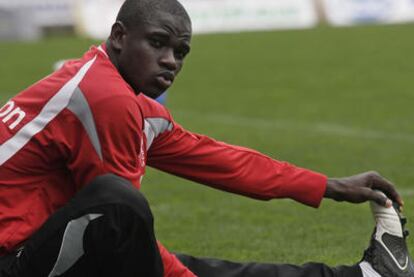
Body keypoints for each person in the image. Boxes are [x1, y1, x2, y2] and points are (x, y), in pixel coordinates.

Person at [0, 0, 412, 276]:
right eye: (158, 44)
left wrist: (329, 186)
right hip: (12, 260)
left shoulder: (113, 89)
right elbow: (119, 220)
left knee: (176, 258)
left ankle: (364, 275)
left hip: (32, 248)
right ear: (120, 36)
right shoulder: (105, 98)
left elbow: (219, 160)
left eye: (180, 52)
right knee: (123, 209)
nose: (170, 61)